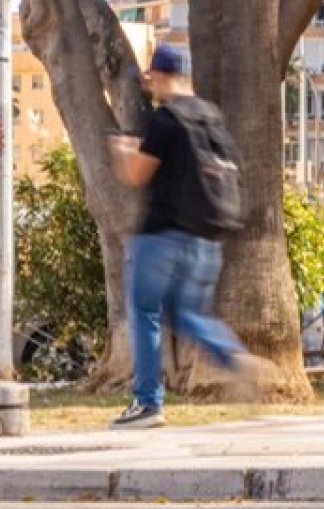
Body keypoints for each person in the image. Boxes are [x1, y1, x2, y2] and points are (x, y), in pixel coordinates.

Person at [107, 45, 267, 429]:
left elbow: (136, 175)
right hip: (206, 238)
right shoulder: (210, 117)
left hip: (161, 236)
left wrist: (122, 151)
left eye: (152, 77)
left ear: (160, 76)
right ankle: (232, 355)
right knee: (188, 314)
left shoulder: (166, 120)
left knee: (144, 312)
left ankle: (147, 403)